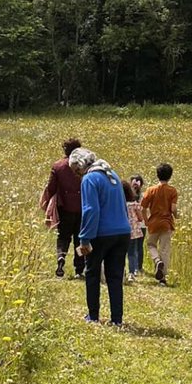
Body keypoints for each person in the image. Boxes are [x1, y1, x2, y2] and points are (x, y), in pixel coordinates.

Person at [68, 147, 130, 325]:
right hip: (122, 232)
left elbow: (91, 210)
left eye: (75, 171)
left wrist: (85, 238)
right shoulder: (112, 174)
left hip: (101, 233)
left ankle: (93, 316)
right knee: (115, 277)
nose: (76, 175)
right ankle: (116, 319)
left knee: (93, 273)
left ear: (80, 167)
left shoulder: (89, 179)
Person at [41, 138, 84, 278]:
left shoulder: (58, 166)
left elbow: (51, 187)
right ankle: (79, 269)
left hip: (64, 207)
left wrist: (47, 202)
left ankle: (61, 258)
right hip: (82, 207)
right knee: (80, 238)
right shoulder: (84, 166)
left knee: (63, 236)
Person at [140, 162, 178, 285]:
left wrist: (146, 220)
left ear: (157, 175)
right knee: (165, 249)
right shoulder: (172, 191)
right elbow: (173, 209)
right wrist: (177, 216)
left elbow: (143, 208)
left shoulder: (151, 190)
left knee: (151, 244)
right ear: (170, 176)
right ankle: (163, 279)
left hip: (154, 223)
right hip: (167, 223)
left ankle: (157, 261)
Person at [123, 180, 146, 283]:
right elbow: (141, 218)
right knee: (132, 253)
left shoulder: (120, 204)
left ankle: (121, 272)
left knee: (121, 253)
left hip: (122, 231)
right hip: (133, 232)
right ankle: (132, 273)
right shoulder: (134, 204)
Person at [128, 174, 146, 276]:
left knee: (131, 247)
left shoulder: (129, 197)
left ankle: (133, 267)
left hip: (131, 226)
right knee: (139, 246)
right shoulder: (143, 196)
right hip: (142, 225)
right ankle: (139, 266)